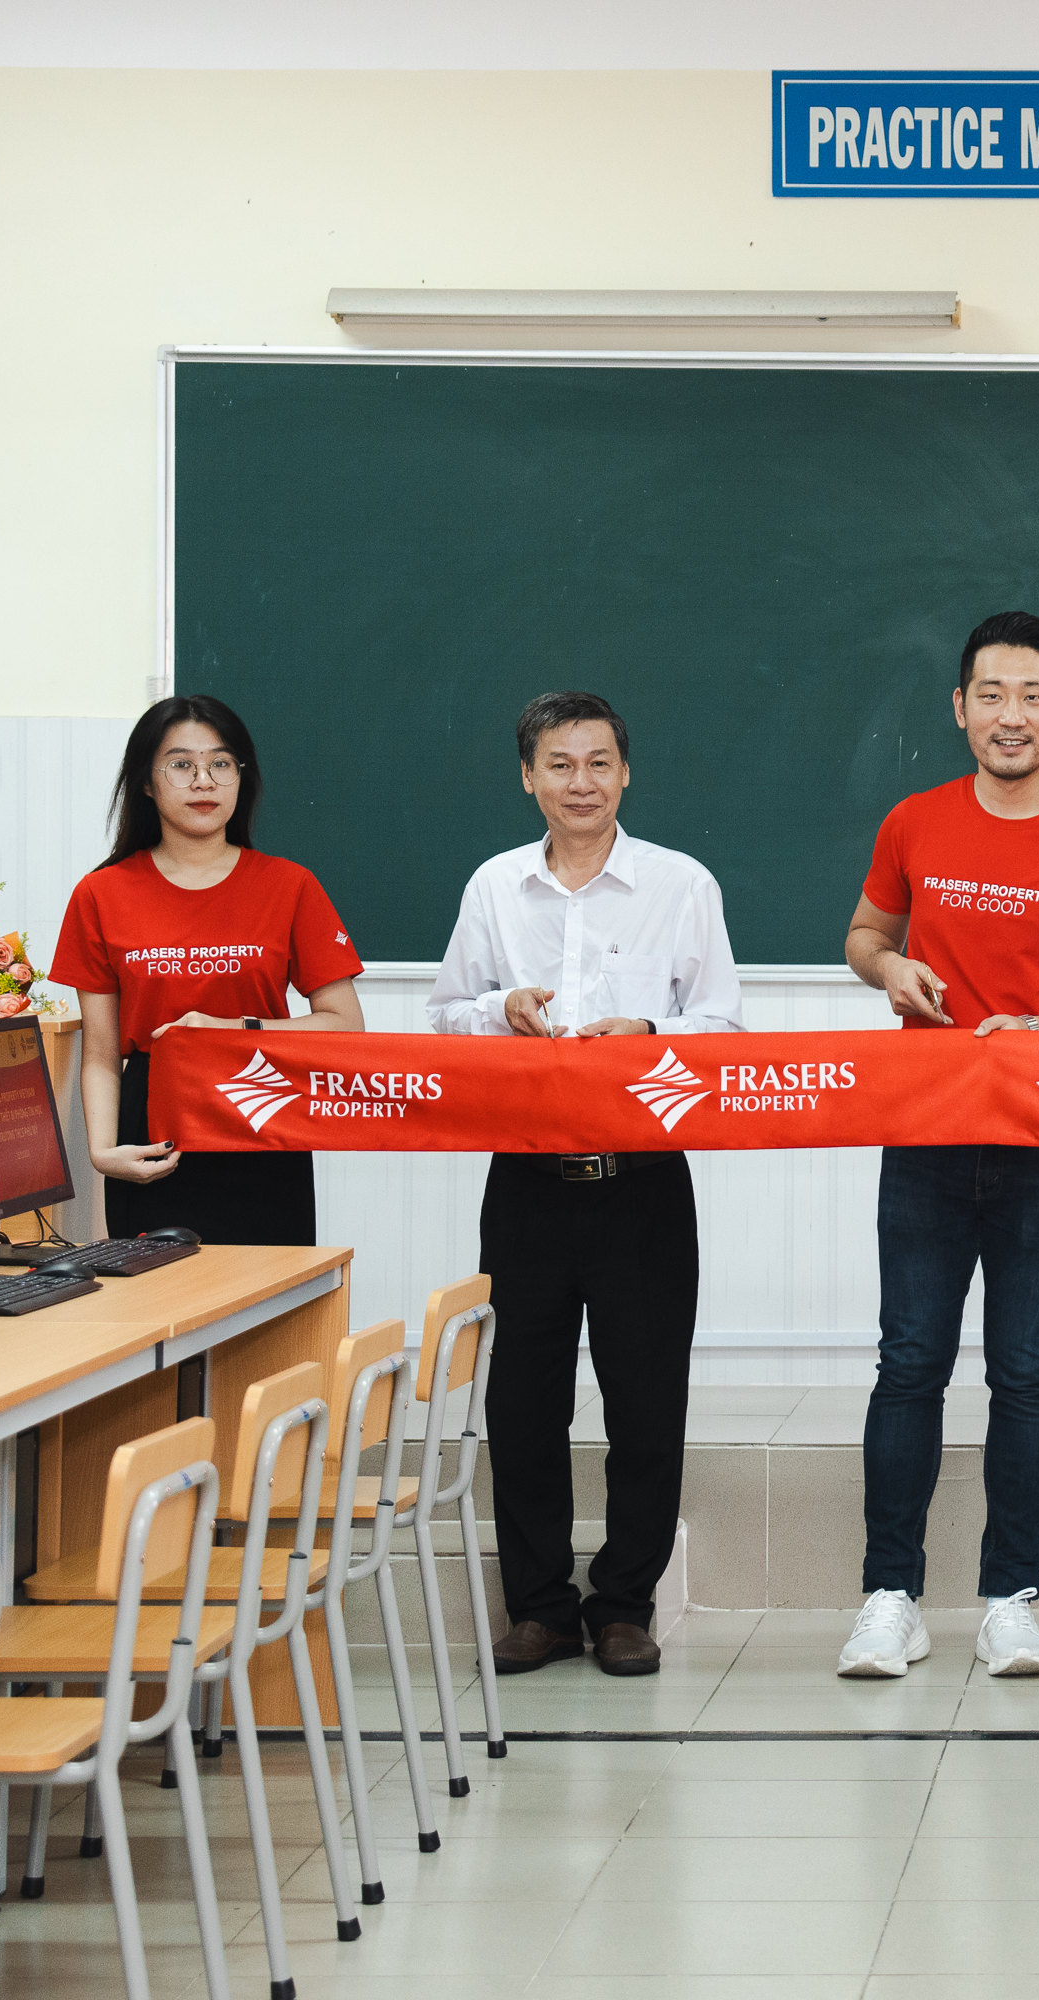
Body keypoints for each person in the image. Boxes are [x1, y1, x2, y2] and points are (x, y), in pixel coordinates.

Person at [836, 610, 1039, 1680]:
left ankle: (1009, 1600)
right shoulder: (914, 821)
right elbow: (864, 934)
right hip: (926, 1127)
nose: (1010, 715)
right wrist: (890, 972)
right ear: (961, 707)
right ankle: (890, 1595)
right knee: (909, 1364)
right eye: (990, 694)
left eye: (1032, 695)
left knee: (1025, 1371)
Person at [426, 690, 745, 1679]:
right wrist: (498, 1010)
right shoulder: (493, 888)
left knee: (647, 1398)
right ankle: (538, 1605)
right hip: (525, 1178)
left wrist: (649, 1033)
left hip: (641, 1181)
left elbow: (727, 1029)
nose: (581, 782)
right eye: (559, 764)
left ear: (626, 773)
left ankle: (623, 1604)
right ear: (527, 776)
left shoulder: (681, 883)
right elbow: (444, 1016)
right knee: (522, 1401)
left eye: (599, 762)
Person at [52, 695, 364, 1247]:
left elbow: (344, 1026)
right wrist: (103, 1152)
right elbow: (101, 1054)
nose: (204, 781)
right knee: (157, 1320)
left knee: (267, 1318)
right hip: (152, 1132)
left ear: (241, 779)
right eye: (181, 764)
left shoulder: (289, 885)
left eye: (221, 764)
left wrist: (232, 1031)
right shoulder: (101, 893)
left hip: (261, 1108)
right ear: (146, 782)